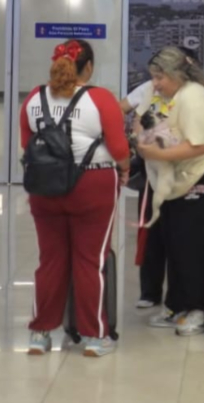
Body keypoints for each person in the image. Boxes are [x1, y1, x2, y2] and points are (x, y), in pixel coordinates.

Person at [21, 39, 130, 358]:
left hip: (43, 188)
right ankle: (95, 337)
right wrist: (123, 170)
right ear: (89, 67)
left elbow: (28, 144)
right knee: (90, 260)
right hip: (92, 184)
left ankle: (39, 334)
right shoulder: (100, 98)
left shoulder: (33, 97)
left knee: (50, 259)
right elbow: (120, 149)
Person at [136, 47, 204, 337]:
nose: (155, 83)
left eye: (160, 77)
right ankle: (177, 305)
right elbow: (143, 117)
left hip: (202, 175)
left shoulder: (195, 98)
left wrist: (156, 153)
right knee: (172, 240)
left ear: (177, 75)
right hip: (174, 178)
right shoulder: (163, 95)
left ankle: (199, 309)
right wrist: (140, 134)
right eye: (153, 77)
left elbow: (198, 145)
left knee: (193, 244)